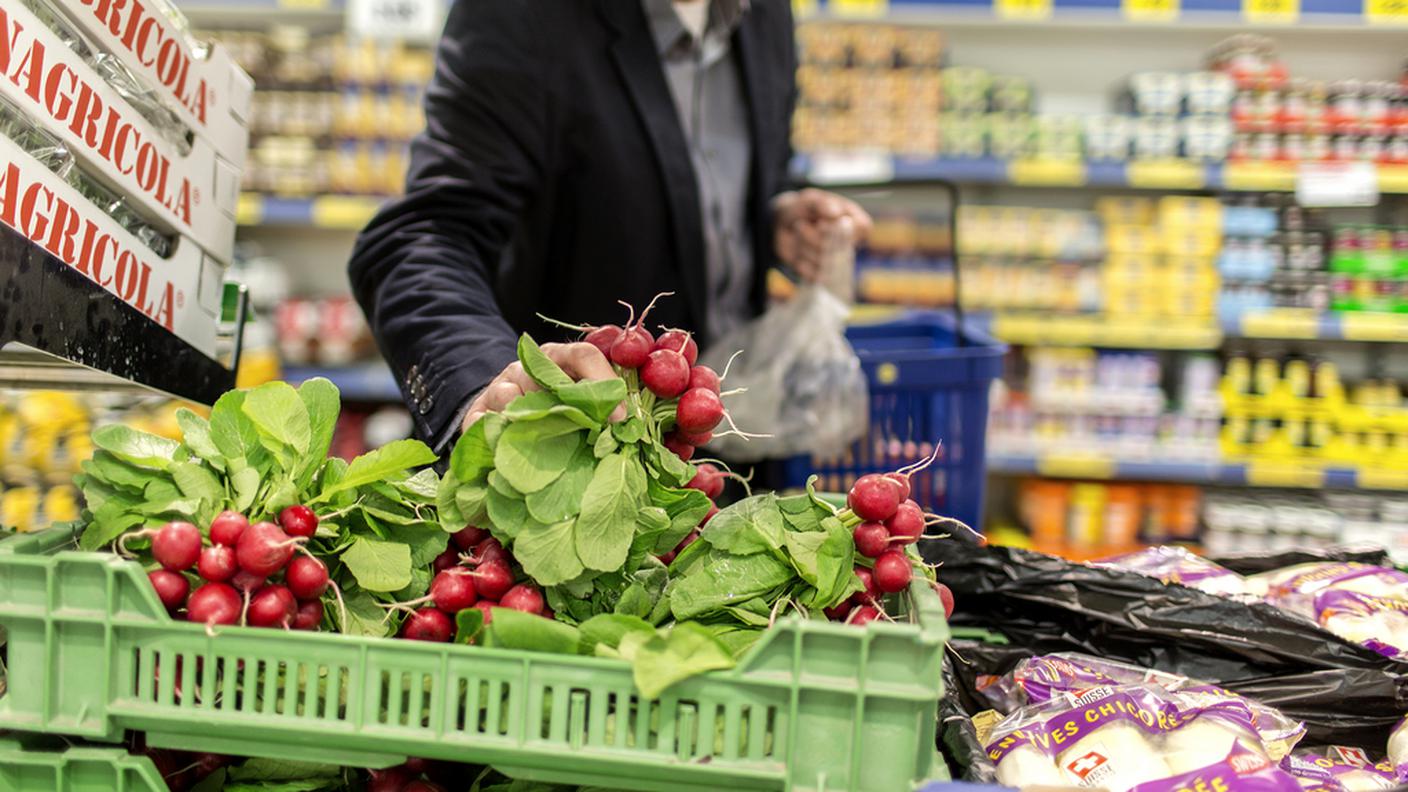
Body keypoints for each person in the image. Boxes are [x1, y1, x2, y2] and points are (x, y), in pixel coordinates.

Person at [349, 0, 871, 454]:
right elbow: (422, 234)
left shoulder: (767, 14)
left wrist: (766, 218)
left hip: (727, 447)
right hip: (573, 469)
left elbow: (703, 171)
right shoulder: (522, 15)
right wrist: (483, 382)